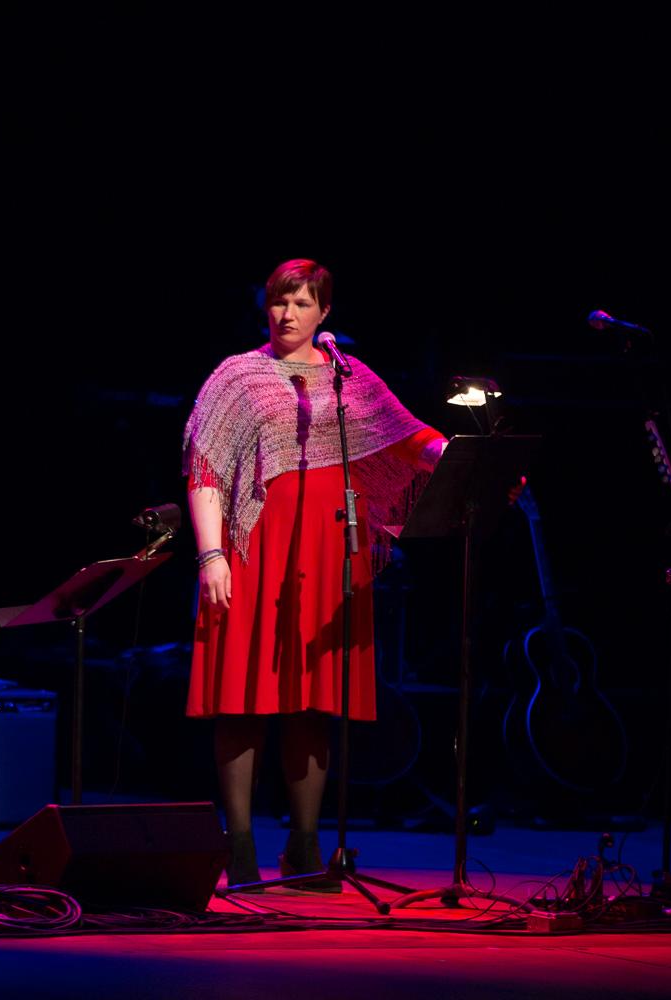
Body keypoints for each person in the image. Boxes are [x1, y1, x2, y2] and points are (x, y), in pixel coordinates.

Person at [183, 259, 447, 890]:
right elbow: (205, 468)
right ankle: (239, 846)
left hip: (328, 552)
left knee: (311, 703)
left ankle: (305, 850)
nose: (287, 314)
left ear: (325, 313)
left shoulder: (347, 379)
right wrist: (211, 554)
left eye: (302, 304)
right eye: (279, 302)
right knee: (242, 697)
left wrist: (460, 459)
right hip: (252, 549)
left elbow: (408, 437)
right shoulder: (237, 376)